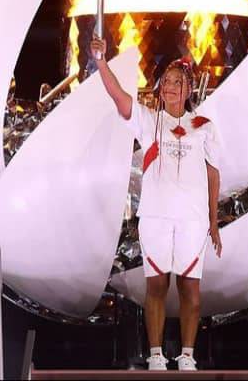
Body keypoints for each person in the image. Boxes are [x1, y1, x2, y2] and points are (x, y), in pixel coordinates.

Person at [90, 36, 223, 372]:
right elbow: (120, 98)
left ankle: (188, 355)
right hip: (156, 217)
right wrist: (102, 61)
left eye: (177, 82)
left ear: (189, 89)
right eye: (166, 82)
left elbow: (212, 175)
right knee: (157, 285)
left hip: (192, 220)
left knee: (190, 287)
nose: (170, 87)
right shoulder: (149, 121)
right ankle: (155, 355)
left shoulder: (203, 127)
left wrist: (213, 220)